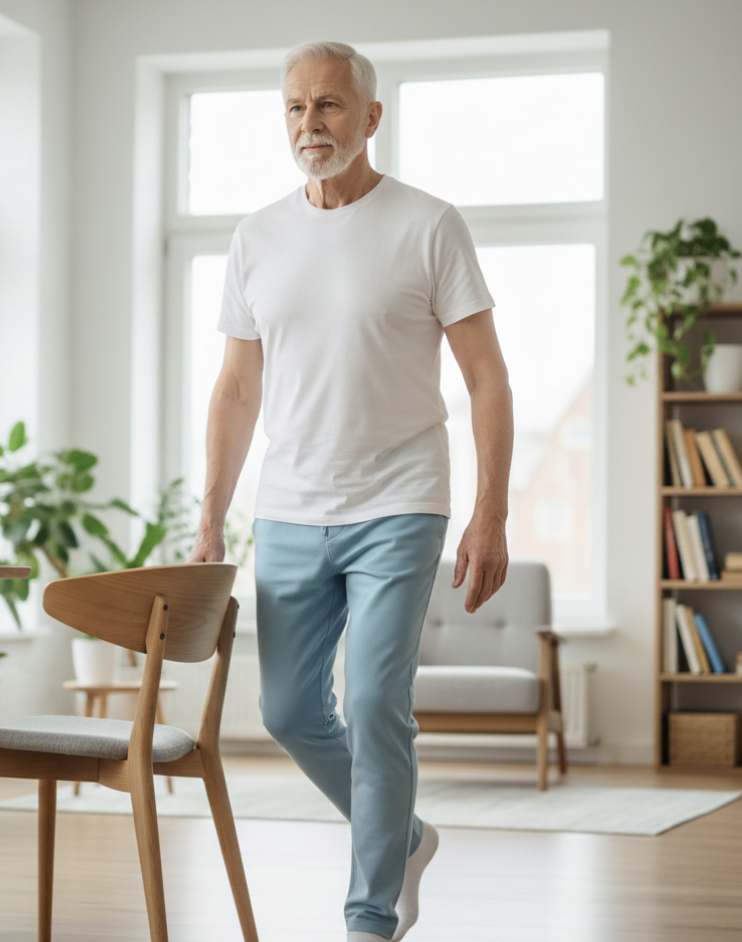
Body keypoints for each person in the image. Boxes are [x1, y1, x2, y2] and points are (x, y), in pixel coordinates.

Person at [188, 40, 513, 942]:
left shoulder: (429, 223)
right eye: (295, 108)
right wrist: (211, 511)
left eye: (329, 106)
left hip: (402, 500)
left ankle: (370, 910)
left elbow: (487, 377)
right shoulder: (257, 236)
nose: (309, 125)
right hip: (290, 507)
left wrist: (491, 510)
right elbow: (237, 390)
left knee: (374, 702)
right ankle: (403, 837)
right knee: (289, 711)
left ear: (371, 118)